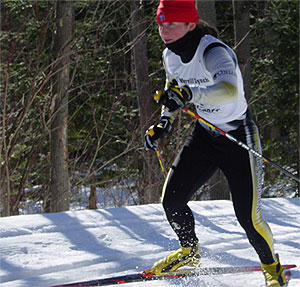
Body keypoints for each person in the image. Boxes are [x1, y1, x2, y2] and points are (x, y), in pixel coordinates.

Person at [144, 1, 286, 286]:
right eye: (161, 23)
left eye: (171, 23)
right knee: (171, 200)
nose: (164, 29)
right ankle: (189, 251)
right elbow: (174, 93)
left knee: (249, 219)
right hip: (205, 135)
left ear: (190, 24)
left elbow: (229, 91)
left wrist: (189, 93)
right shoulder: (169, 55)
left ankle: (273, 270)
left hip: (237, 136)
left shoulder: (214, 51)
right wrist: (165, 121)